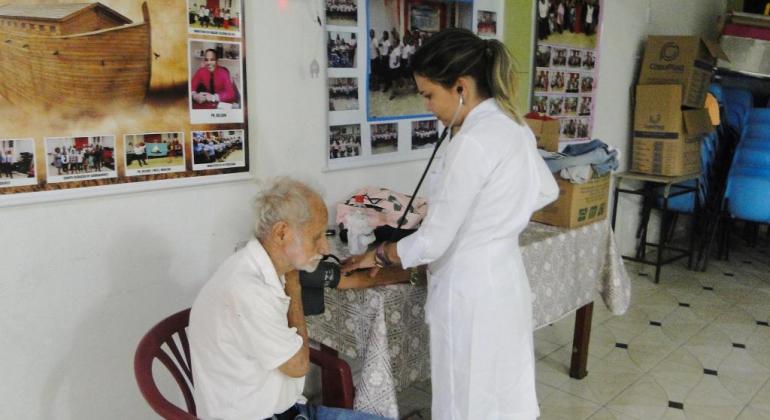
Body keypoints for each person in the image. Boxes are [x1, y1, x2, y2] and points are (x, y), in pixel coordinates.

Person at [342, 28, 558, 420]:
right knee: (501, 393)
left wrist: (380, 253)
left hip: (469, 290)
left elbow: (433, 243)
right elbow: (546, 190)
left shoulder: (472, 142)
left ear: (460, 87)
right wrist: (496, 222)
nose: (427, 105)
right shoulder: (512, 125)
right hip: (504, 277)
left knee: (465, 399)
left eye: (428, 94)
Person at [189, 178, 397, 420]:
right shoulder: (249, 289)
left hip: (287, 409)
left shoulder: (260, 266)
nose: (325, 248)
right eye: (316, 237)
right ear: (281, 233)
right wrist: (295, 287)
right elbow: (298, 367)